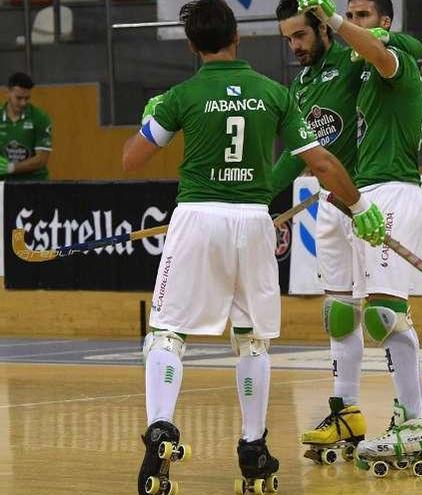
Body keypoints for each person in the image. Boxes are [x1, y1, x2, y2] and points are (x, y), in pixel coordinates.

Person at [120, 1, 386, 493]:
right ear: (237, 37)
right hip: (253, 221)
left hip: (199, 218)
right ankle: (253, 447)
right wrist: (358, 204)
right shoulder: (273, 94)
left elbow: (132, 160)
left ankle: (161, 429)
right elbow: (322, 162)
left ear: (192, 46)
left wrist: (150, 116)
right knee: (252, 339)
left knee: (167, 333)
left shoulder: (182, 94)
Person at [272, 0, 422, 462]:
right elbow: (301, 152)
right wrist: (260, 198)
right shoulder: (302, 83)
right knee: (339, 315)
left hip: (372, 198)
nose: (295, 47)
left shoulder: (355, 55)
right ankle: (346, 411)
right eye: (288, 39)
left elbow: (408, 47)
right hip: (333, 203)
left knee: (384, 313)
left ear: (322, 28)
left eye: (300, 35)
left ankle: (417, 416)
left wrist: (365, 30)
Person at [0, 72, 52, 180]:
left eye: (27, 98)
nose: (23, 103)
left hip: (34, 184)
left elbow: (41, 160)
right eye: (19, 98)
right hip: (3, 185)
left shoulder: (40, 118)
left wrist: (11, 168)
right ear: (8, 92)